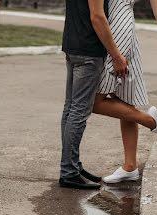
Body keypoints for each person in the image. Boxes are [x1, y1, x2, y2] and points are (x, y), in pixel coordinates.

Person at [93, 0, 157, 184]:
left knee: (93, 101)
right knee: (124, 100)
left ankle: (150, 120)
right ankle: (130, 167)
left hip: (118, 33)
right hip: (115, 29)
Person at [59, 0, 128, 190]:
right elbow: (97, 17)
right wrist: (116, 56)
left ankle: (72, 166)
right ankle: (69, 172)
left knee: (71, 108)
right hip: (88, 50)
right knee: (78, 112)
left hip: (72, 45)